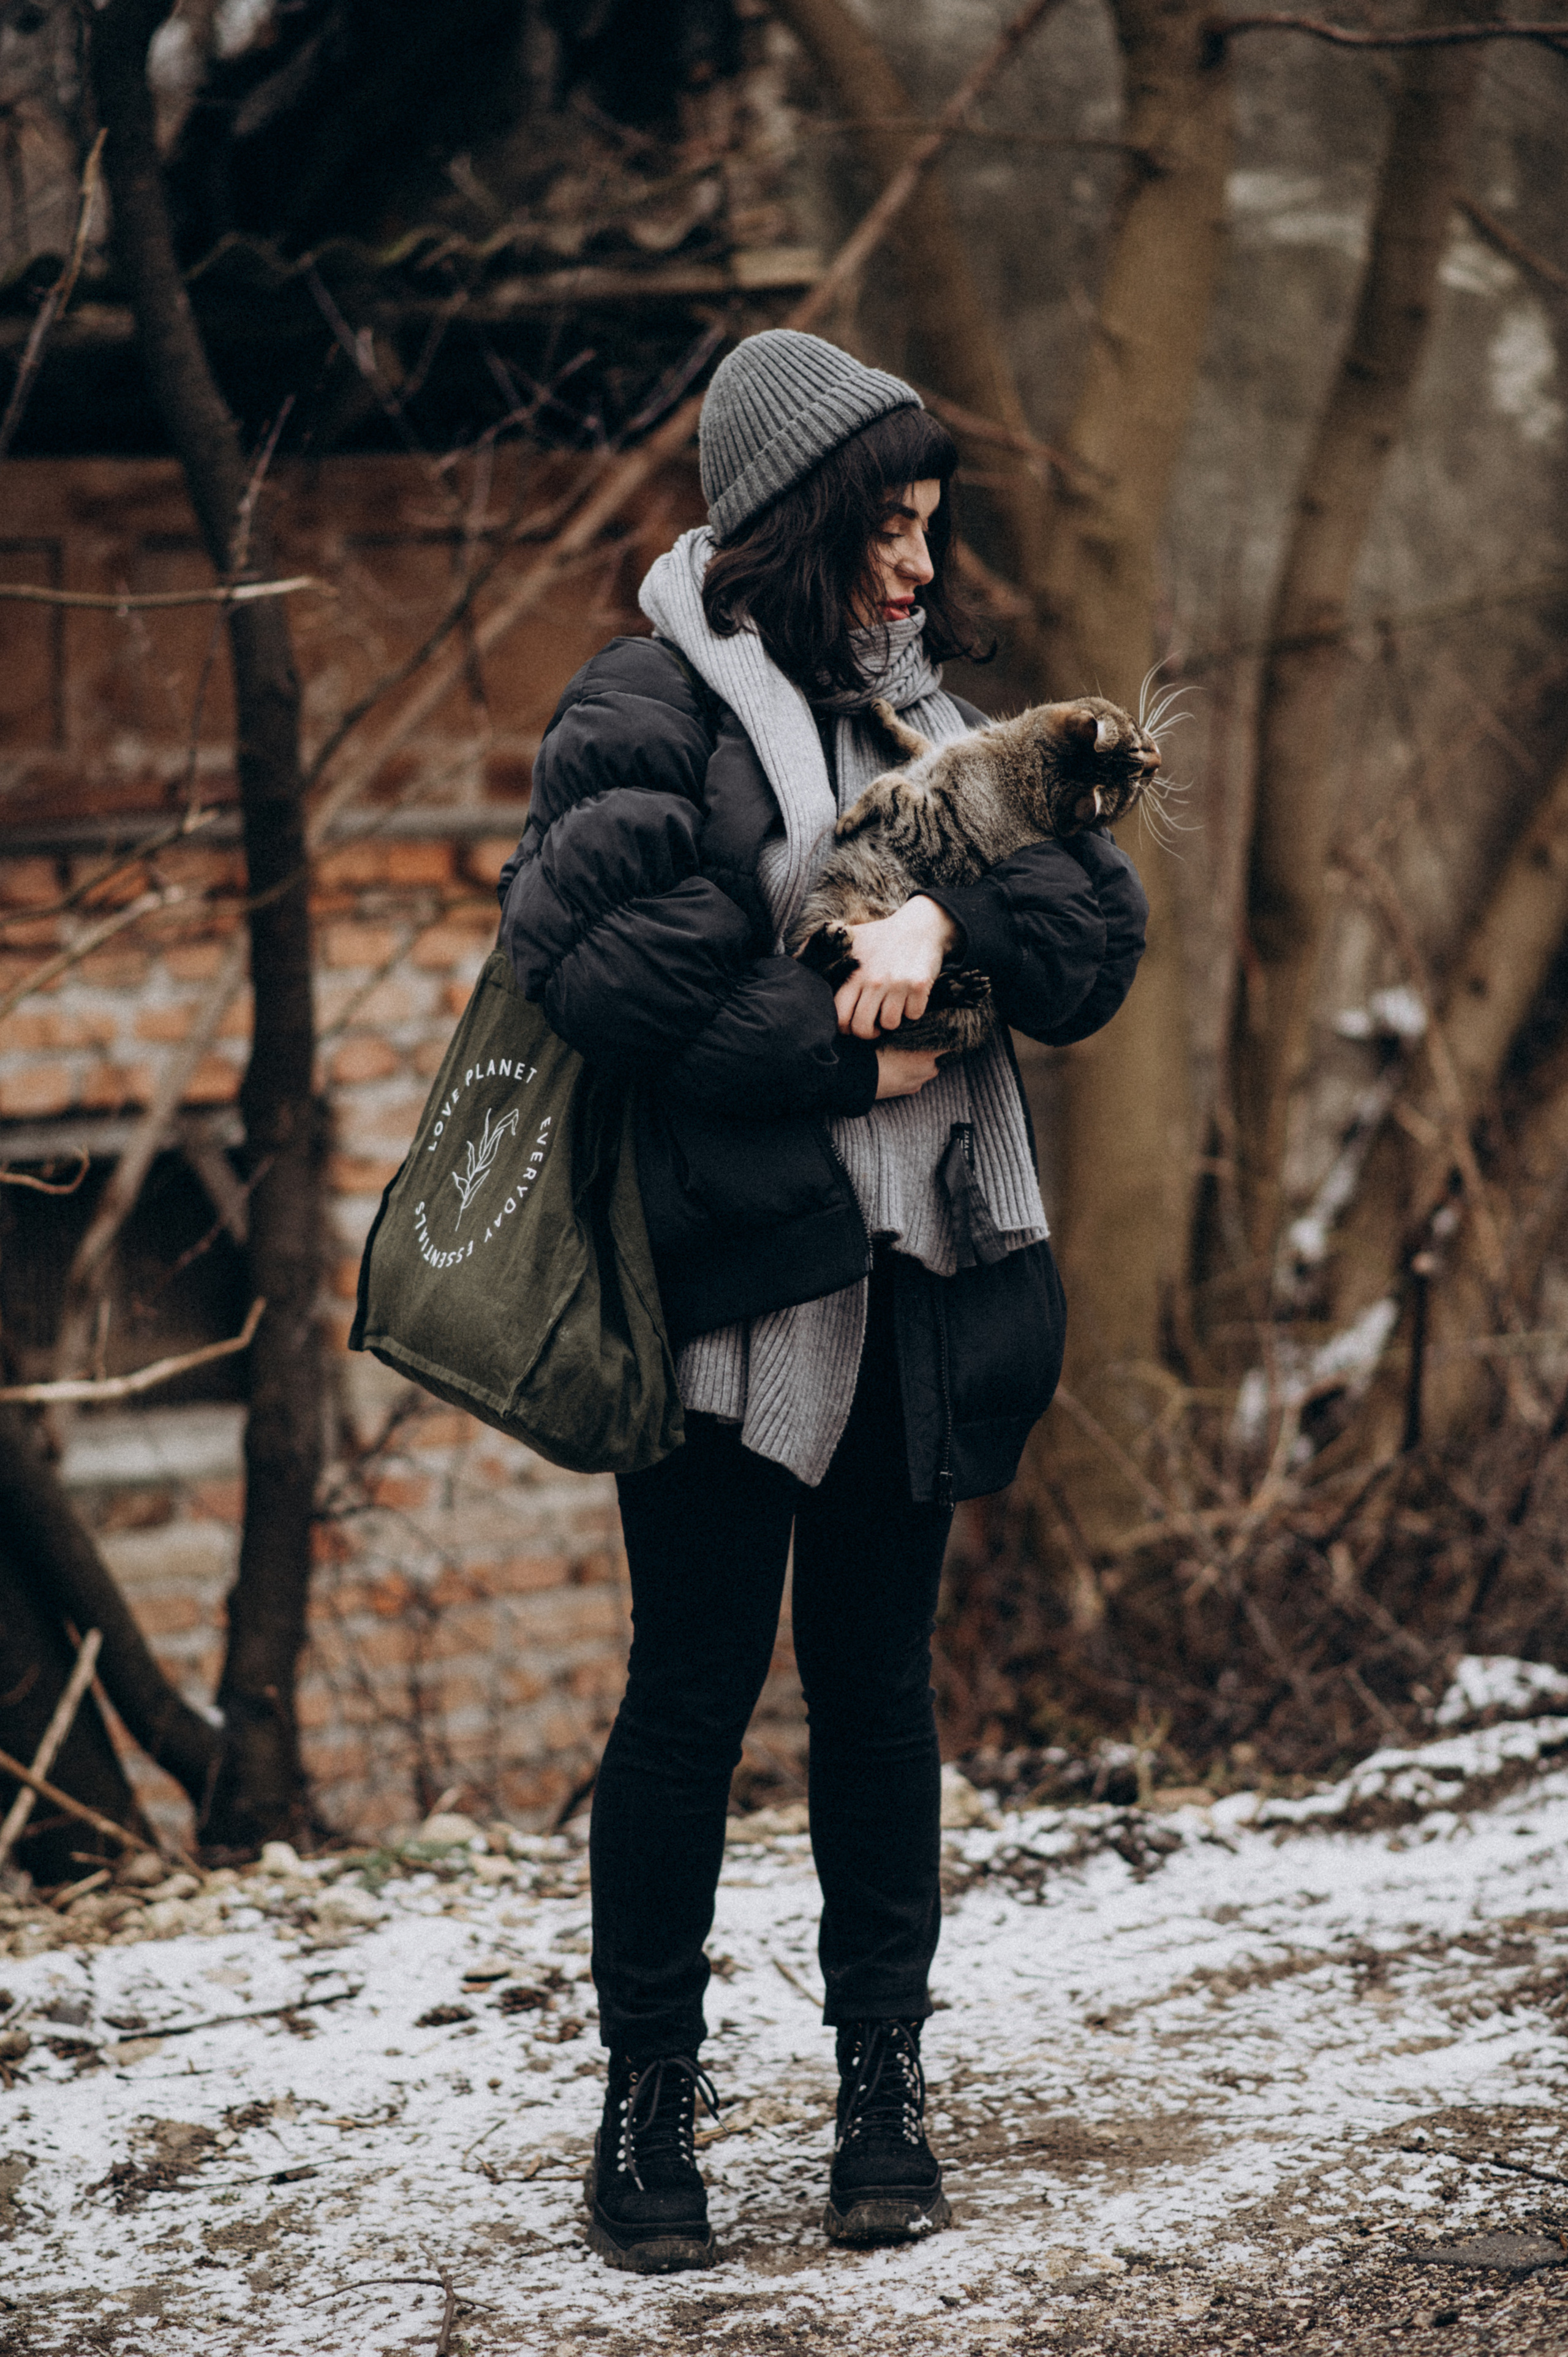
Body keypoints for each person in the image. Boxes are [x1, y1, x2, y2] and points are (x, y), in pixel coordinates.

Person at [498, 329, 1147, 2273]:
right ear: (791, 529)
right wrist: (842, 1058)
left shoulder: (927, 720)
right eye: (890, 531)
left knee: (877, 1693)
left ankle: (884, 2090)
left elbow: (1097, 927)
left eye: (932, 531)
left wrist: (949, 917)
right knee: (691, 1696)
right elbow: (600, 969)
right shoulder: (642, 709)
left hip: (919, 1278)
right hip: (730, 1292)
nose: (919, 571)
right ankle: (648, 2112)